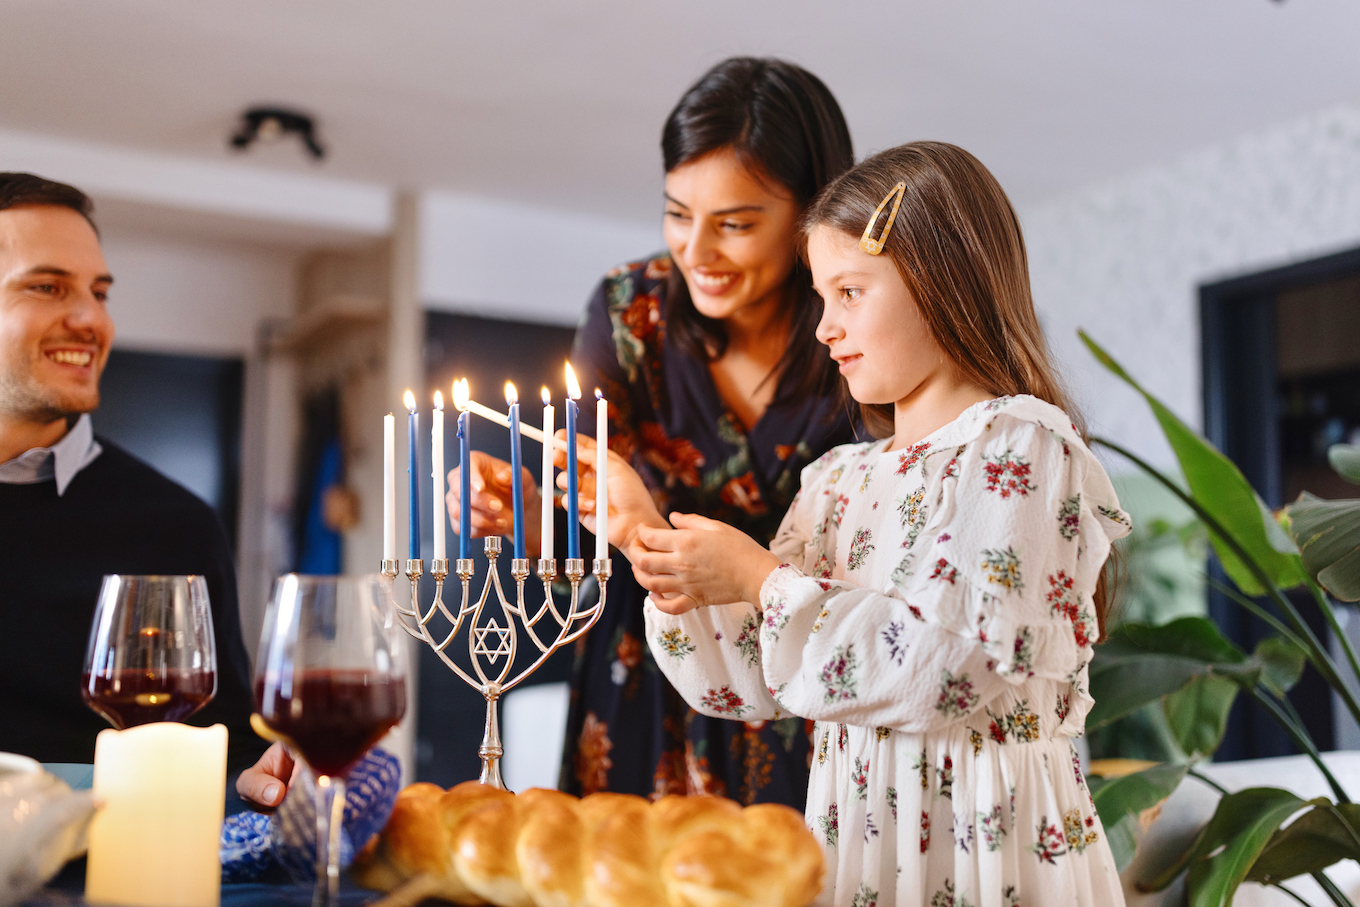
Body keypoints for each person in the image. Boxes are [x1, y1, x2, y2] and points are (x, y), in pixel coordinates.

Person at [236, 56, 859, 812]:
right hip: (645, 686)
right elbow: (582, 534)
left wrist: (657, 533)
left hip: (814, 683)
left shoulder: (857, 331)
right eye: (677, 213)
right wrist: (530, 514)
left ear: (813, 214)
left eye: (735, 223)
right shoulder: (632, 311)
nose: (696, 251)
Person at [586, 143, 1130, 905]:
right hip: (860, 857)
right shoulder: (838, 478)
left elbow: (945, 667)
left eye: (849, 291)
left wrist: (758, 576)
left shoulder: (1021, 446)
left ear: (940, 280)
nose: (824, 328)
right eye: (820, 297)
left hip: (985, 856)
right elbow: (750, 677)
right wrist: (641, 532)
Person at [0, 173, 264, 771]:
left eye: (99, 292)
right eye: (47, 287)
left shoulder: (177, 526)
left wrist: (269, 777)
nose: (91, 320)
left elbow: (230, 748)